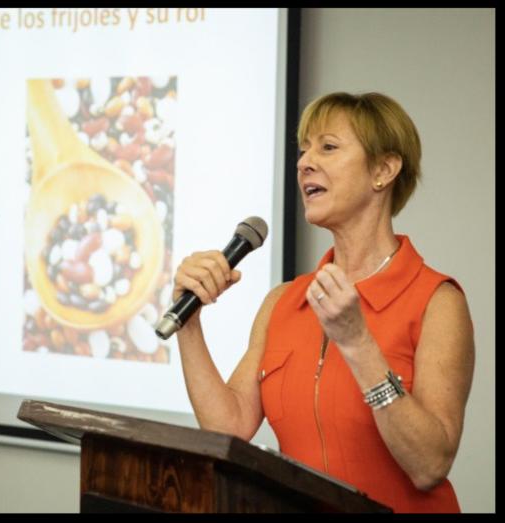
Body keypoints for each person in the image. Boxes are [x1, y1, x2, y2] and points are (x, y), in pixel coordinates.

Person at [173, 92, 474, 513]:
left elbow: (429, 465)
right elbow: (229, 425)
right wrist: (189, 323)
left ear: (383, 170)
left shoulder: (437, 301)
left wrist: (359, 345)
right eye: (304, 150)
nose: (304, 163)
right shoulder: (283, 301)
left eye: (328, 147)